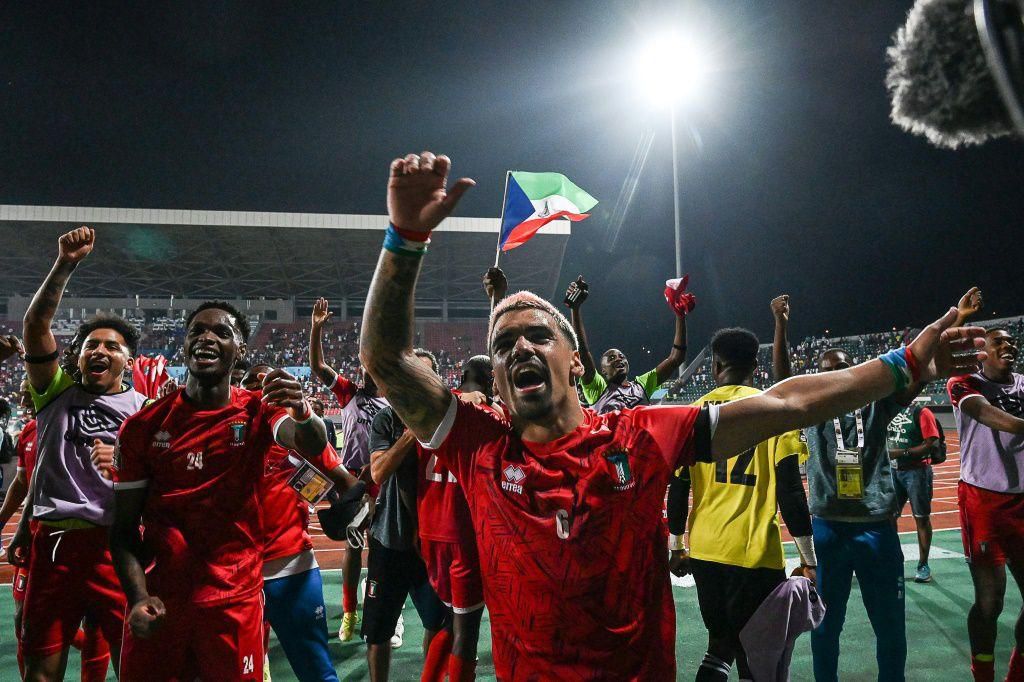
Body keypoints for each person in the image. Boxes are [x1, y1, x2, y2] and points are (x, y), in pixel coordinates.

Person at [359, 150, 984, 680]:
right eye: (502, 345)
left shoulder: (643, 435)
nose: (518, 347)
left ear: (575, 362)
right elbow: (385, 358)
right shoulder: (477, 447)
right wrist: (404, 240)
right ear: (494, 379)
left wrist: (902, 365)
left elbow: (788, 400)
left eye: (536, 336)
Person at [109, 301, 343, 681]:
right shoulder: (143, 427)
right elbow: (122, 530)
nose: (207, 337)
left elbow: (309, 440)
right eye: (197, 330)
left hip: (235, 602)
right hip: (162, 602)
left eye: (222, 332)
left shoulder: (259, 413)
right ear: (184, 344)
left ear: (241, 351)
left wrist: (303, 411)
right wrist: (136, 598)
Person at [7, 226, 147, 681]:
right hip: (56, 547)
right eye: (91, 345)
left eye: (112, 346)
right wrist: (65, 264)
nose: (100, 350)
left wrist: (124, 463)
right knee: (41, 670)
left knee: (135, 665)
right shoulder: (53, 393)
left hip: (118, 549)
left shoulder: (145, 414)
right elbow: (35, 326)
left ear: (129, 361)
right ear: (78, 356)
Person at [666, 325, 815, 682]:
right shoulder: (774, 411)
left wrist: (677, 546)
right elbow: (791, 490)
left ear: (716, 366)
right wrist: (809, 560)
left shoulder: (691, 413)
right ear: (754, 365)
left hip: (705, 550)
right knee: (758, 657)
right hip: (755, 554)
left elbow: (677, 487)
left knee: (718, 645)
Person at [373, 354, 492, 682]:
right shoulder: (487, 411)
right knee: (465, 630)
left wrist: (417, 523)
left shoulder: (431, 413)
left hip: (431, 531)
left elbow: (409, 475)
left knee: (449, 622)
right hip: (466, 532)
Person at [240, 364, 357, 682]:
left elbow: (344, 482)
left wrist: (358, 506)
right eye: (250, 380)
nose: (258, 386)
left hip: (291, 568)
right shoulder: (227, 432)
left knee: (317, 672)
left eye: (265, 381)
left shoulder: (299, 438)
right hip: (234, 573)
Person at [363, 349, 448, 681]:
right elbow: (379, 472)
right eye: (411, 376)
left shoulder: (448, 421)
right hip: (391, 539)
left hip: (434, 543)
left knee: (437, 623)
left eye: (424, 377)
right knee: (379, 631)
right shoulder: (387, 419)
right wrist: (412, 431)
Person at [947, 325, 1024, 682]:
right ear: (984, 351)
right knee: (991, 602)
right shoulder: (964, 382)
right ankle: (983, 674)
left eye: (1011, 341)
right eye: (999, 341)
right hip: (984, 501)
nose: (1008, 345)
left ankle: (1017, 672)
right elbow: (986, 414)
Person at [310, 295, 389, 641]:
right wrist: (316, 329)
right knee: (354, 547)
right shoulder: (348, 393)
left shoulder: (394, 402)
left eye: (373, 365)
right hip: (354, 484)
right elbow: (317, 367)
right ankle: (349, 612)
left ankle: (388, 611)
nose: (366, 370)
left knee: (385, 549)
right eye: (364, 365)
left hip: (384, 484)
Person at [565, 273, 689, 413]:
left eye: (622, 357)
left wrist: (680, 315)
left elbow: (676, 358)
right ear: (603, 371)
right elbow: (582, 351)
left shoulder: (642, 385)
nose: (619, 358)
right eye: (611, 358)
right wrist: (575, 309)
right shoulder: (597, 388)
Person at [886, 402, 940, 583]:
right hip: (893, 471)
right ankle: (893, 561)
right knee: (889, 517)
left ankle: (923, 565)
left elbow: (931, 443)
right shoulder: (889, 409)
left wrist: (902, 452)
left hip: (917, 472)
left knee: (921, 517)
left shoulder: (921, 412)